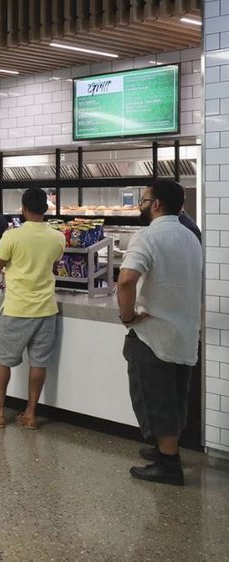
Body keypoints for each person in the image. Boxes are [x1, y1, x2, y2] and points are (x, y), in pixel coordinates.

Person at [117, 179, 202, 486]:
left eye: (143, 200)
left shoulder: (147, 236)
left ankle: (169, 464)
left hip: (153, 334)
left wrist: (127, 316)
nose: (140, 205)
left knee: (155, 396)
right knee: (176, 396)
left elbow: (126, 281)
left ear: (155, 204)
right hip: (185, 332)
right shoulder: (192, 236)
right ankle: (164, 449)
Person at [0, 188, 66, 430]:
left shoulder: (12, 236)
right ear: (45, 209)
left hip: (16, 308)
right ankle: (31, 414)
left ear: (23, 209)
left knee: (2, 361)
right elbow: (54, 266)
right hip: (46, 309)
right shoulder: (58, 237)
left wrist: (2, 262)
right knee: (39, 362)